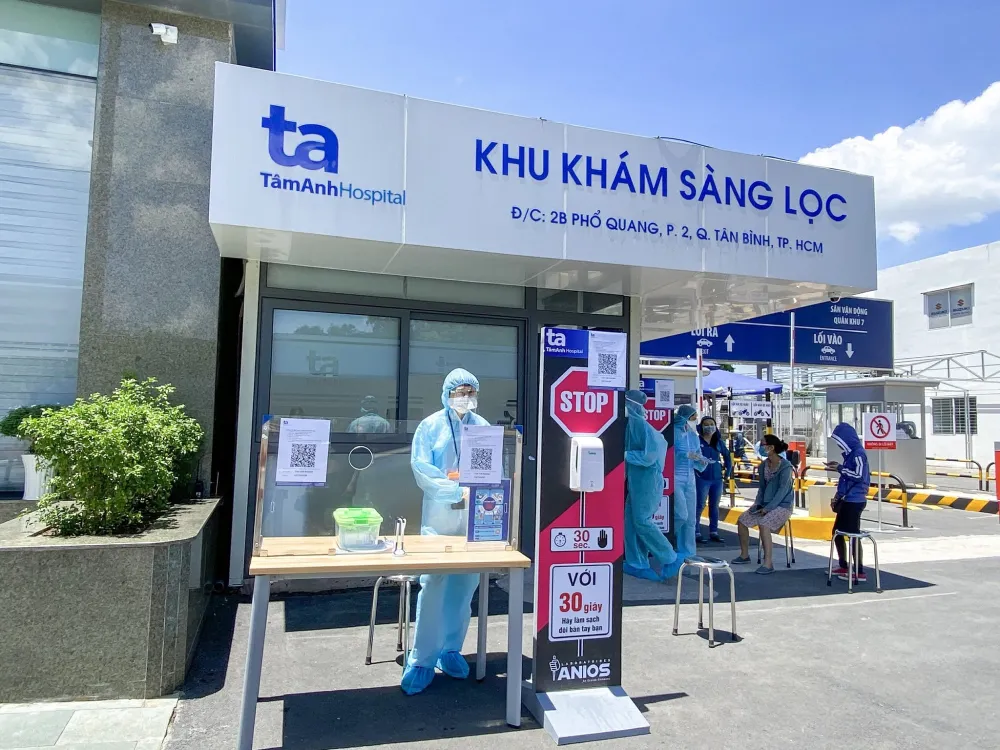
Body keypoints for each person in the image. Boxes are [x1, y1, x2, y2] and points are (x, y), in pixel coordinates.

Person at [402, 368, 489, 695]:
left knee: (464, 588)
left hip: (473, 518)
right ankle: (422, 659)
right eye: (459, 392)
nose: (465, 397)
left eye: (470, 391)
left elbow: (494, 468)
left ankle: (451, 649)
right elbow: (422, 469)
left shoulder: (482, 428)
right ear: (447, 393)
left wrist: (483, 494)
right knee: (434, 585)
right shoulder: (430, 426)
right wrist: (454, 490)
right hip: (439, 520)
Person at [622, 389, 677, 581]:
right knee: (631, 522)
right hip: (636, 483)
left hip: (648, 483)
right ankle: (636, 563)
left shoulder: (643, 427)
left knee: (642, 520)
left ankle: (670, 558)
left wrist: (623, 455)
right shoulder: (633, 426)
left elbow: (648, 457)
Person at [732, 434, 794, 574]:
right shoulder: (763, 465)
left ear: (771, 447)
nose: (760, 447)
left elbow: (783, 490)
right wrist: (757, 504)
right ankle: (744, 555)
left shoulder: (785, 466)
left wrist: (769, 508)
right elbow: (762, 488)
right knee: (742, 520)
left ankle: (768, 563)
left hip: (783, 506)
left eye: (762, 444)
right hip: (764, 505)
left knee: (764, 524)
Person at [662, 404, 708, 578]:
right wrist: (683, 455)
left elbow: (696, 453)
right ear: (685, 416)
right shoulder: (672, 432)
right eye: (693, 416)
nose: (695, 419)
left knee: (690, 519)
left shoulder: (692, 434)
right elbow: (667, 453)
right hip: (675, 477)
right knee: (680, 514)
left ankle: (688, 554)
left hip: (690, 478)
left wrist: (701, 460)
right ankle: (665, 542)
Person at [826, 423, 871, 584]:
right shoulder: (850, 455)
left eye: (840, 441)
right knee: (837, 532)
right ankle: (844, 565)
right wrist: (837, 496)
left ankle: (859, 571)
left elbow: (858, 476)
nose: (839, 445)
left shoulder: (858, 454)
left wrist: (839, 468)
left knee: (853, 535)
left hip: (855, 501)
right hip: (847, 499)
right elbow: (846, 480)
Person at [695, 416, 733, 544]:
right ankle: (696, 531)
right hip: (702, 478)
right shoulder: (697, 441)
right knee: (700, 505)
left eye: (712, 424)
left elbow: (727, 457)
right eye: (706, 424)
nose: (709, 427)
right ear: (701, 427)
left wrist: (727, 472)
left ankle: (714, 531)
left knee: (714, 506)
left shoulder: (718, 442)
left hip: (717, 479)